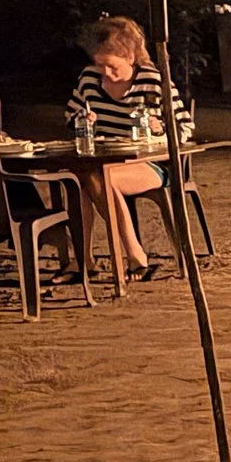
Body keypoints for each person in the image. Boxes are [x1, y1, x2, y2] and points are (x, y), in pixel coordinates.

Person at [63, 15, 191, 280]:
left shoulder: (152, 81)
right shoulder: (89, 81)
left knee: (98, 180)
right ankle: (86, 259)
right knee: (80, 179)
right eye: (100, 66)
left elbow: (185, 127)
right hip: (102, 160)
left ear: (130, 57)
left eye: (112, 67)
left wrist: (162, 128)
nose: (106, 74)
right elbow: (70, 117)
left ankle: (134, 256)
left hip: (149, 162)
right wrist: (82, 121)